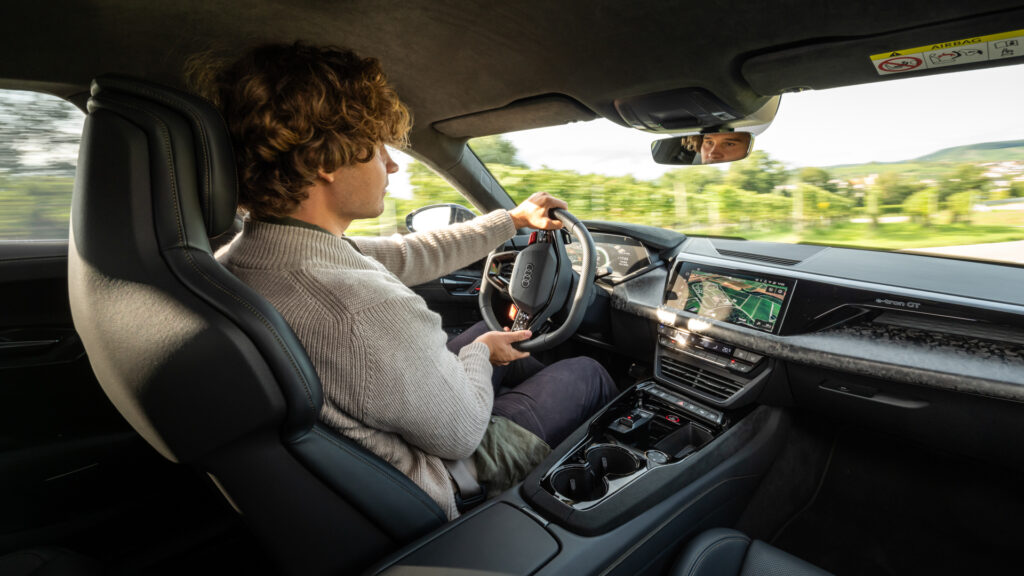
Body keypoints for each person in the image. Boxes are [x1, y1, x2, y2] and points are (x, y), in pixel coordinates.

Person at [189, 42, 617, 519]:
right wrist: (480, 354)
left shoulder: (248, 256)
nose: (392, 164)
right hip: (440, 477)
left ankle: (530, 422)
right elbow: (463, 432)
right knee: (586, 374)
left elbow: (410, 253)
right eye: (378, 148)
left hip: (358, 453)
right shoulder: (358, 307)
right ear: (325, 160)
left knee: (492, 340)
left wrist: (512, 220)